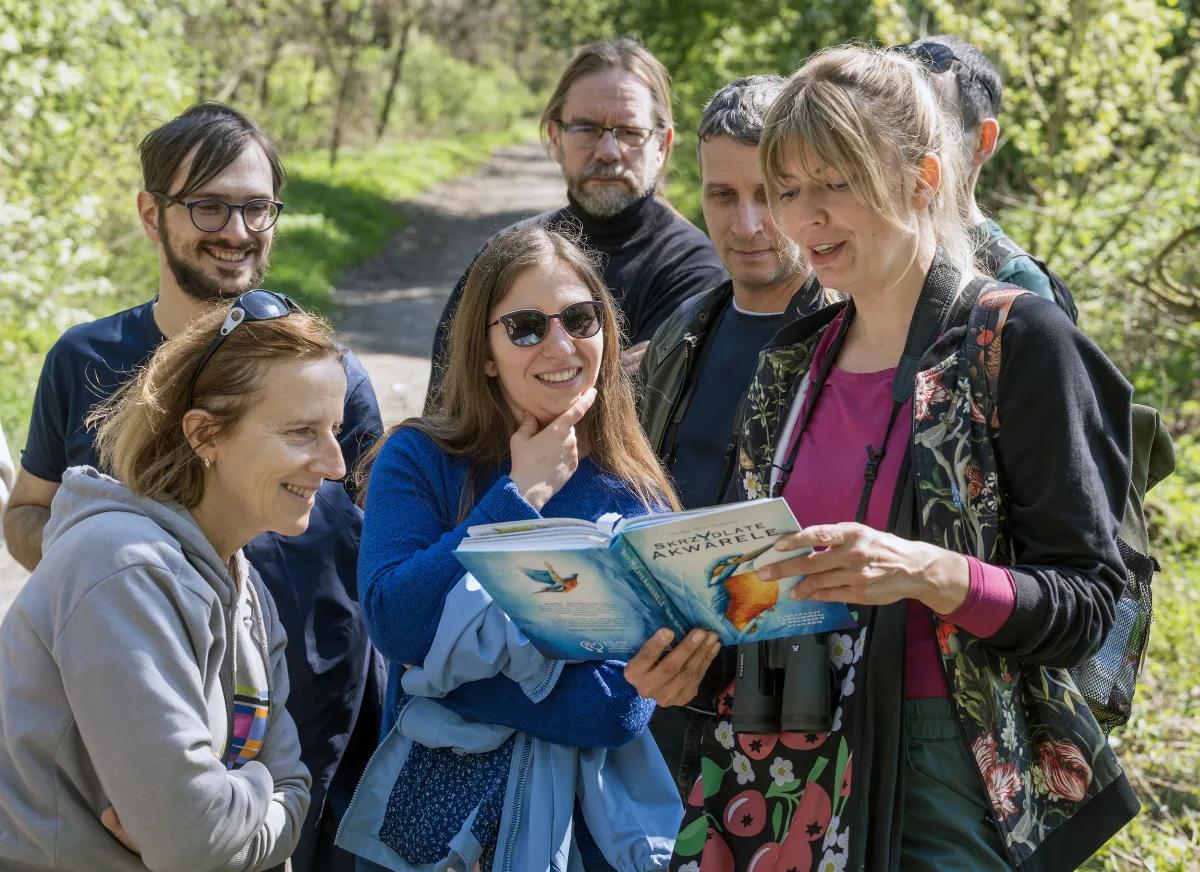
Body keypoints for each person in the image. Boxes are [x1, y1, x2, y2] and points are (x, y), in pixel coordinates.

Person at [672, 46, 1136, 872]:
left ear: (924, 177)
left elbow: (1090, 606)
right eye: (787, 190)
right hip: (781, 743)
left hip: (942, 763)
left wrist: (929, 570)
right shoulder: (792, 363)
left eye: (834, 183)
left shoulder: (1015, 341)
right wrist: (689, 651)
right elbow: (763, 592)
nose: (803, 218)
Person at [0, 102, 383, 872]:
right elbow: (30, 515)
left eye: (256, 207)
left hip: (300, 688)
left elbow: (383, 521)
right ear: (152, 213)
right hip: (141, 701)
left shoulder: (324, 373)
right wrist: (124, 570)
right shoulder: (87, 362)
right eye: (209, 204)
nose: (237, 230)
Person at [351, 226, 720, 872]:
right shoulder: (418, 459)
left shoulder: (635, 495)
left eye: (581, 319)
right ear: (485, 351)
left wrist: (436, 680)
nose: (560, 344)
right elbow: (397, 622)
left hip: (584, 846)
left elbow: (613, 710)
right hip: (430, 840)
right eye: (525, 327)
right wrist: (518, 495)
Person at [0, 293, 345, 870]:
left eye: (334, 429)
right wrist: (260, 791)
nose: (334, 464)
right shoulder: (122, 568)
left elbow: (296, 792)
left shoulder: (244, 586)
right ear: (205, 434)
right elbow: (195, 843)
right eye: (302, 432)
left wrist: (238, 801)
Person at [637, 74, 832, 800]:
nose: (746, 224)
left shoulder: (858, 339)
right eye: (723, 196)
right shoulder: (681, 333)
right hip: (662, 692)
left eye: (769, 195)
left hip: (795, 712)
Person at [426, 38, 728, 404]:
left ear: (662, 145)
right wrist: (613, 377)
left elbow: (644, 427)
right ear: (556, 138)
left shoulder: (694, 273)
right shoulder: (504, 255)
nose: (607, 151)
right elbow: (448, 408)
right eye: (586, 129)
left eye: (629, 132)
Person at [897, 35, 1075, 315]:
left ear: (983, 141)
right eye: (896, 122)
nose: (905, 142)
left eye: (931, 125)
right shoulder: (861, 256)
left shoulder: (1017, 282)